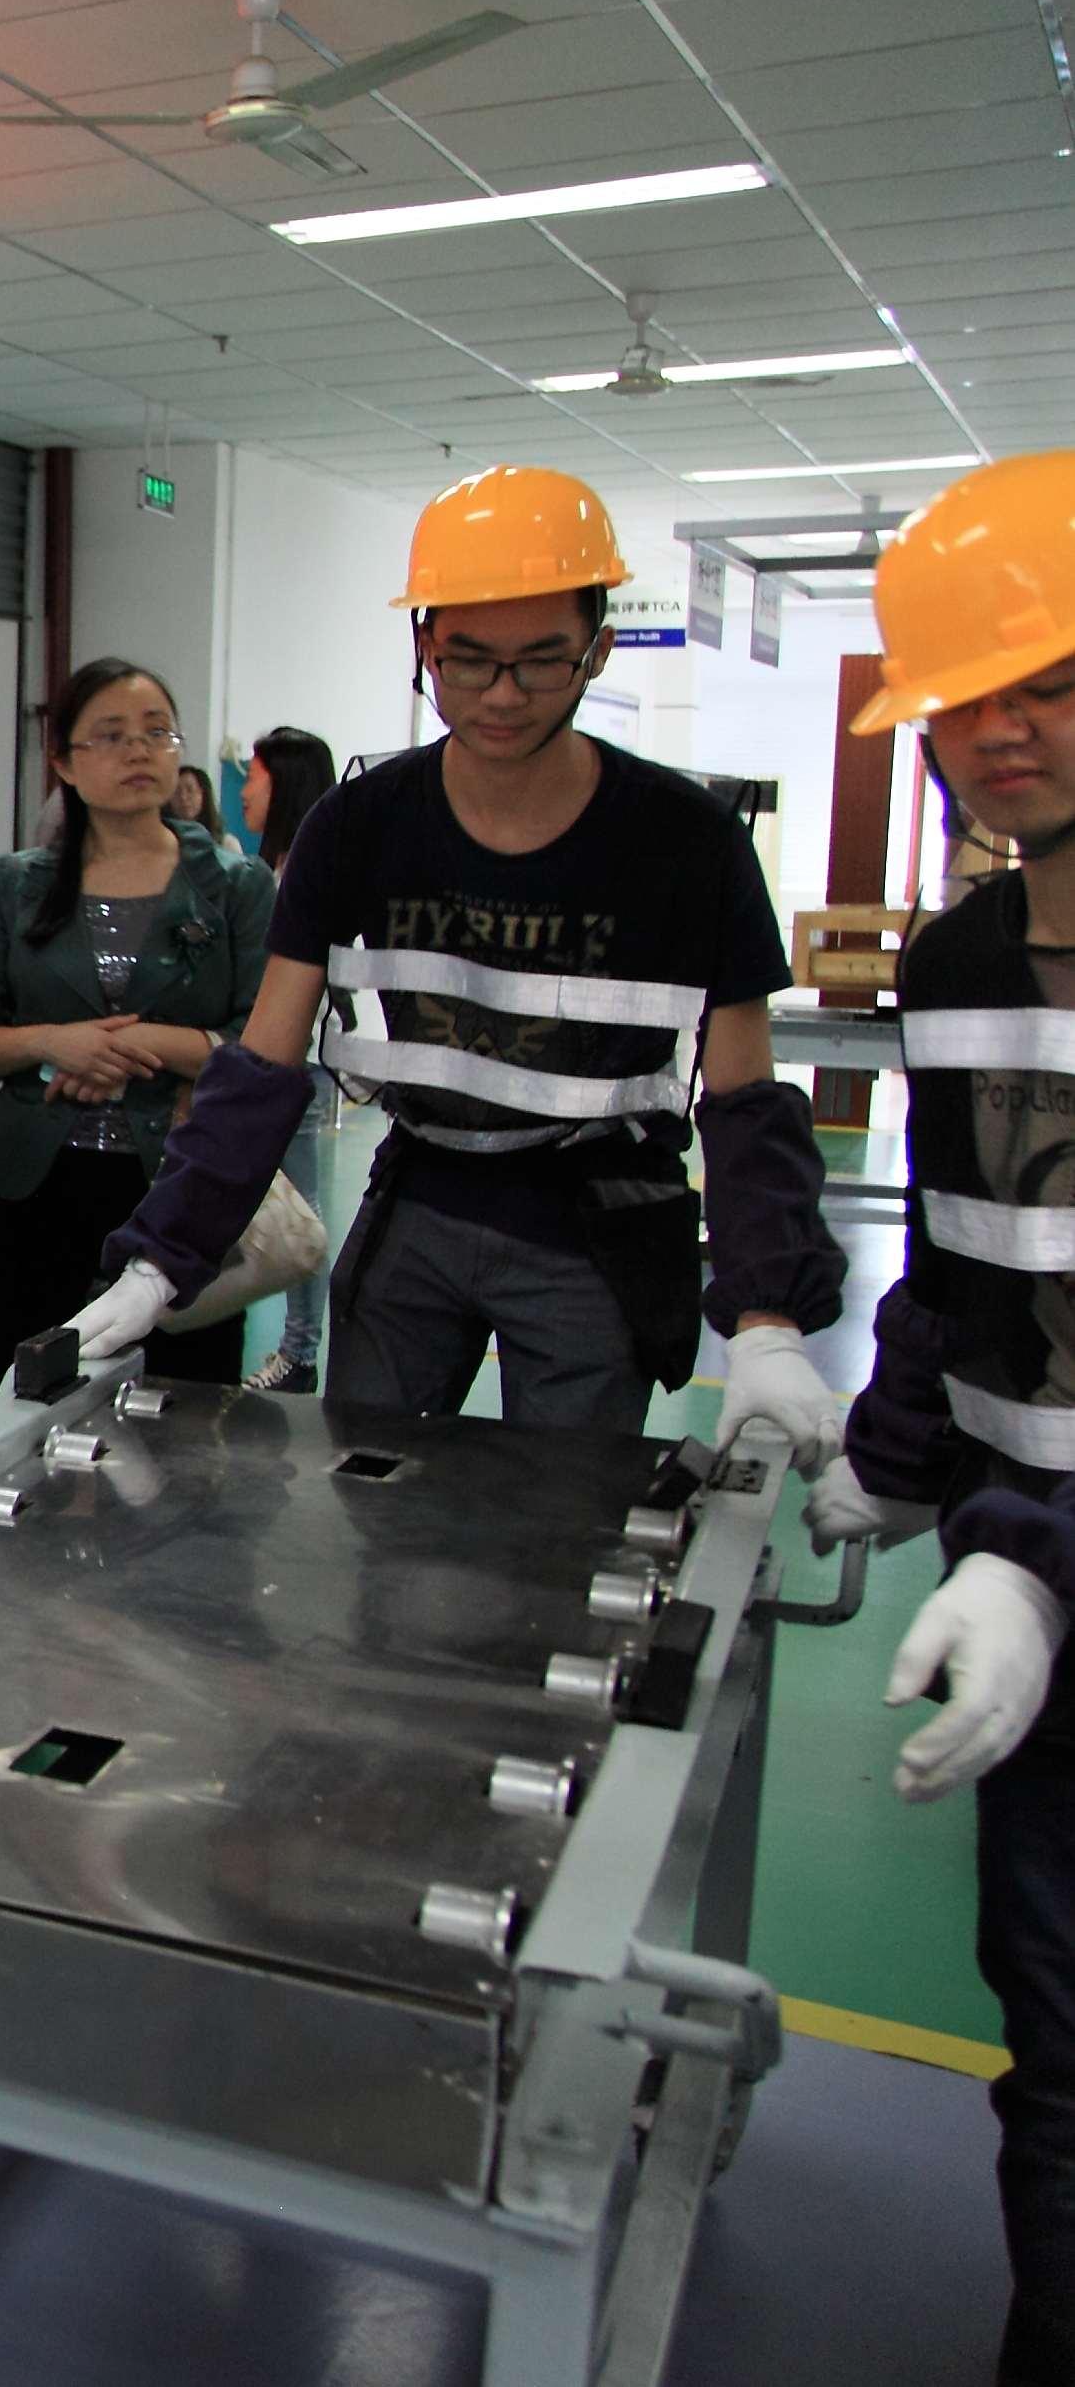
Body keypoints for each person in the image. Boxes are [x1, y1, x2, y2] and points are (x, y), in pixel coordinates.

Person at [64, 465, 843, 1456]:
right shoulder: (359, 827)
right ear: (424, 646)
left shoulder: (689, 843)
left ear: (598, 652)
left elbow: (746, 1103)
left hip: (595, 1222)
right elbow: (261, 1064)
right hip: (421, 1198)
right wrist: (161, 1258)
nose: (501, 696)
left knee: (566, 1507)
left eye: (541, 662)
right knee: (368, 1484)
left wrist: (767, 1319)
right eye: (468, 662)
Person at [795, 449, 1075, 2387]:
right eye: (965, 698)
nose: (1001, 734)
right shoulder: (964, 956)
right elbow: (964, 1258)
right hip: (1012, 1562)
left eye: (1048, 686)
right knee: (1049, 2026)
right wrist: (889, 1457)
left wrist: (1035, 1557)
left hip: (1033, 1563)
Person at [0, 660, 273, 1400]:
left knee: (185, 1407)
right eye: (111, 735)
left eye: (157, 733)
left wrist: (135, 1046)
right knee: (24, 1400)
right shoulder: (16, 883)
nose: (139, 751)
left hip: (179, 1189)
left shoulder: (235, 886)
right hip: (29, 1191)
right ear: (64, 762)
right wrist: (52, 1044)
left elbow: (264, 1046)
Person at [239, 725, 340, 1393]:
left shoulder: (308, 870)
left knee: (301, 1217)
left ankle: (300, 1354)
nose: (245, 790)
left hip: (296, 1066)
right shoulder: (270, 869)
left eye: (254, 775)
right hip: (268, 1063)